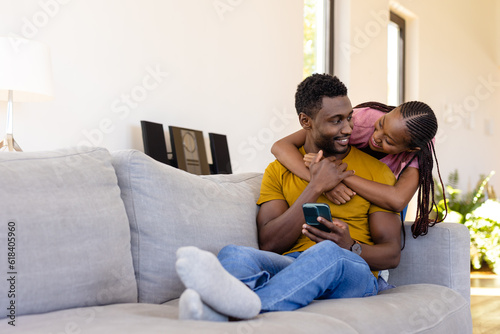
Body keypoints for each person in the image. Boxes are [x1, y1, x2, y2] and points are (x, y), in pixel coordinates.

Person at [174, 73, 402, 322]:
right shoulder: (279, 169)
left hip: (353, 271)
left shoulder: (377, 173)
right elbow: (270, 244)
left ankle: (243, 307)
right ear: (306, 121)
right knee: (235, 254)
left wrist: (349, 245)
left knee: (327, 252)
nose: (347, 129)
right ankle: (215, 312)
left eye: (349, 118)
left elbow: (391, 254)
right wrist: (315, 187)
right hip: (295, 266)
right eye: (335, 121)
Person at [271, 101, 447, 238]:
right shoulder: (361, 119)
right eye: (381, 124)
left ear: (410, 149)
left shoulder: (421, 151)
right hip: (341, 193)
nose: (376, 137)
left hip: (378, 190)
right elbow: (280, 146)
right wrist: (322, 181)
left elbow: (397, 199)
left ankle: (376, 271)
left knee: (385, 236)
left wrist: (338, 176)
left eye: (389, 141)